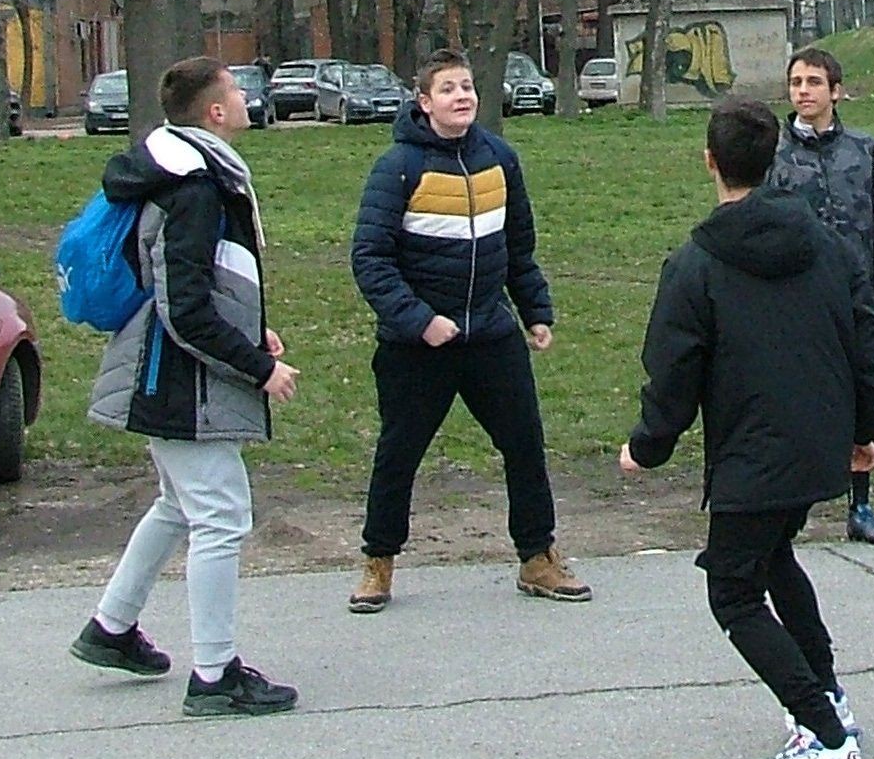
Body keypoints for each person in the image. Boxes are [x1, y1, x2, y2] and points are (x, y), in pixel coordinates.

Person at [620, 96, 874, 759]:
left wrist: (646, 447)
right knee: (774, 557)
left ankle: (827, 739)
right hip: (816, 439)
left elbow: (672, 369)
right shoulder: (826, 246)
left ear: (709, 160)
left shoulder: (695, 264)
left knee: (732, 589)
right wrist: (863, 430)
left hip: (754, 449)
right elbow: (869, 341)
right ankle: (827, 697)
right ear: (774, 160)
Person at [68, 56, 300, 717]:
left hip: (163, 371)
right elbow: (188, 309)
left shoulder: (183, 171)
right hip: (176, 380)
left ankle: (111, 627)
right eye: (235, 89)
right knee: (222, 513)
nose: (244, 96)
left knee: (178, 504)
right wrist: (259, 367)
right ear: (215, 112)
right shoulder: (195, 187)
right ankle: (215, 673)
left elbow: (203, 286)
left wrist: (257, 331)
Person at [347, 47, 589, 611]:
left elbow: (518, 248)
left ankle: (538, 558)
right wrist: (419, 320)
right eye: (449, 89)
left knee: (525, 445)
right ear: (424, 101)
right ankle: (377, 563)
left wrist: (535, 312)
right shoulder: (398, 167)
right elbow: (370, 259)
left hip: (491, 334)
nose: (462, 97)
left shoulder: (500, 159)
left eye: (468, 87)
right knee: (399, 453)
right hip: (418, 345)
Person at [766, 47, 874, 545]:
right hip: (796, 302)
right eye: (796, 82)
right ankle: (790, 506)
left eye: (814, 82)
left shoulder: (866, 153)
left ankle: (861, 503)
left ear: (836, 91)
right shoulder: (775, 155)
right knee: (798, 402)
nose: (803, 91)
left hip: (857, 300)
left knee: (860, 402)